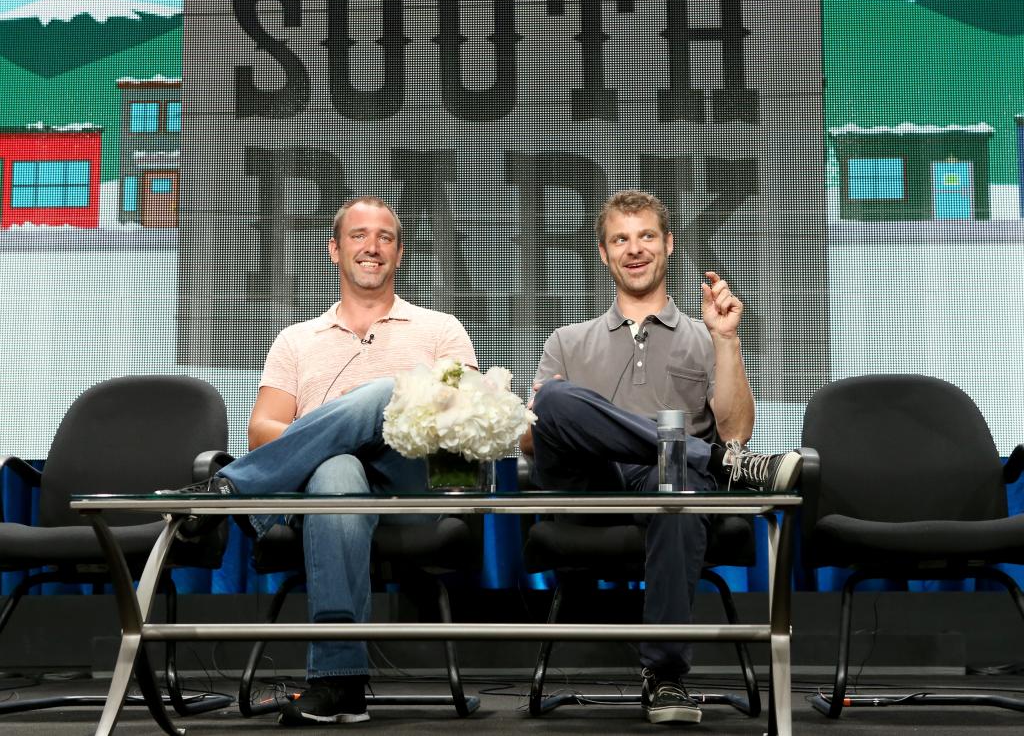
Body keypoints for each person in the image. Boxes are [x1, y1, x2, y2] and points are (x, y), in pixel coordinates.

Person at [176, 196, 477, 727]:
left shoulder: (440, 330)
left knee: (387, 389)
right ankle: (339, 683)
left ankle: (230, 492)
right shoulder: (296, 340)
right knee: (337, 469)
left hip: (410, 480)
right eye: (359, 235)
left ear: (400, 254)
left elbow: (464, 417)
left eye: (385, 237)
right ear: (334, 250)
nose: (372, 246)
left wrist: (367, 411)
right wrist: (333, 438)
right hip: (326, 488)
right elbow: (262, 427)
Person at [519, 189, 802, 725]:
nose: (634, 249)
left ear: (668, 244)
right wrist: (542, 418)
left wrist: (727, 340)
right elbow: (533, 440)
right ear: (604, 254)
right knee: (554, 400)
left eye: (646, 236)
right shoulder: (567, 339)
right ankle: (712, 462)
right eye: (621, 239)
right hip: (589, 487)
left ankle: (665, 676)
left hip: (669, 483)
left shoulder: (704, 336)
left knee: (681, 487)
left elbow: (736, 430)